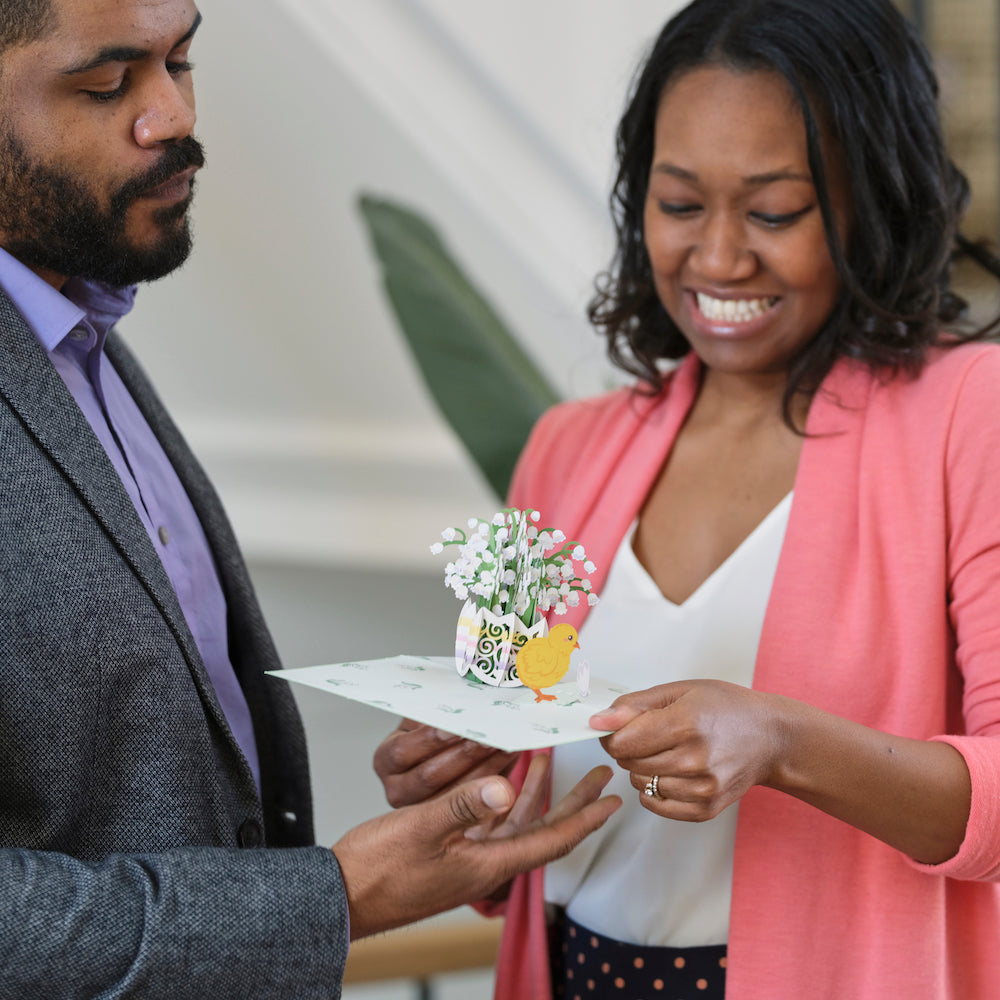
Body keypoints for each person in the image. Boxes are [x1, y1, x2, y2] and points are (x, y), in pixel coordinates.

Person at [374, 0, 1000, 996]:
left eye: (773, 211)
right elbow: (522, 803)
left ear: (872, 200)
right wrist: (461, 786)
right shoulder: (568, 451)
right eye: (678, 205)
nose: (716, 259)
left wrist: (784, 741)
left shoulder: (969, 415)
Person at [0, 1, 623, 996]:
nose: (171, 116)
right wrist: (338, 897)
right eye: (108, 84)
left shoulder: (82, 336)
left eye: (183, 60)